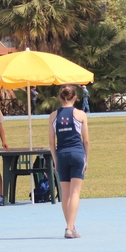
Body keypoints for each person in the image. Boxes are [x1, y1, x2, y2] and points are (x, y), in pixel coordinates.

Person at [49, 85, 89, 238]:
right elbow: (86, 141)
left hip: (62, 154)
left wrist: (55, 160)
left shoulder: (53, 116)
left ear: (60, 98)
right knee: (75, 192)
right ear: (75, 98)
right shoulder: (80, 114)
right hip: (77, 153)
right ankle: (70, 227)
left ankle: (70, 226)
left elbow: (51, 143)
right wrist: (87, 159)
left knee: (65, 194)